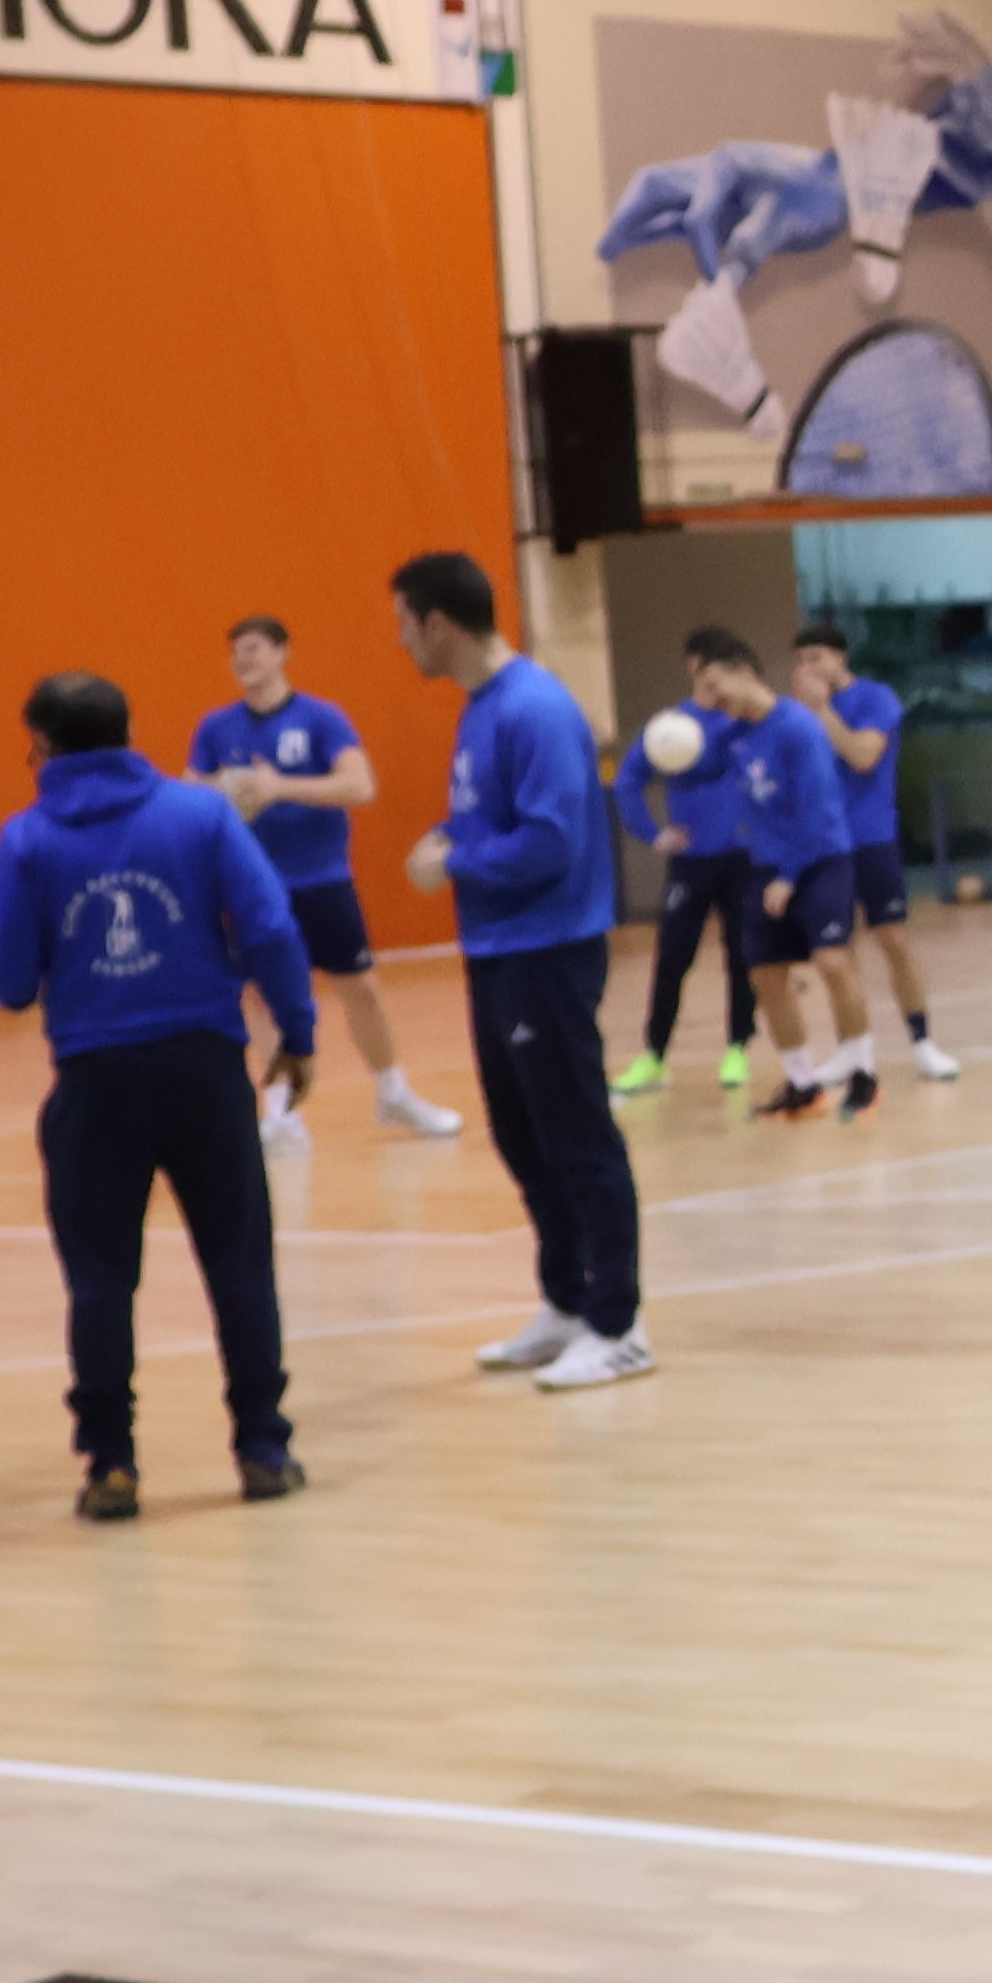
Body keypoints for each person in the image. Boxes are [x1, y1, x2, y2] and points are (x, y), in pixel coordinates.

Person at [0, 670, 318, 1522]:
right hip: (205, 1070)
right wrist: (298, 1030)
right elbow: (271, 925)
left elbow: (12, 983)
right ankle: (263, 1447)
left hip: (96, 1082)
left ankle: (111, 1465)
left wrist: (13, 958)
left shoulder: (26, 841)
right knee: (239, 1262)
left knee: (99, 1280)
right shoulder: (201, 816)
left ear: (46, 747)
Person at [395, 548, 646, 1391]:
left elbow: (550, 843)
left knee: (575, 1136)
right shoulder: (481, 708)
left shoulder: (532, 708)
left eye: (404, 624)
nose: (401, 643)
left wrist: (454, 861)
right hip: (498, 952)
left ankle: (619, 1324)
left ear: (438, 624)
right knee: (522, 1135)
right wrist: (450, 840)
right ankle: (568, 1301)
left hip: (546, 948)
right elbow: (494, 819)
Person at [189, 612, 464, 1144]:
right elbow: (191, 791)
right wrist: (220, 795)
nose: (243, 660)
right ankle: (282, 1110)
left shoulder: (320, 718)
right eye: (236, 652)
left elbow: (360, 786)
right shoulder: (215, 728)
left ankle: (393, 1093)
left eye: (253, 648)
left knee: (360, 986)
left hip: (320, 879)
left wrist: (278, 789)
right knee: (263, 997)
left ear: (282, 652)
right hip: (252, 886)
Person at [680, 628, 875, 1122]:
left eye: (713, 685)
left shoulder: (796, 727)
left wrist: (789, 876)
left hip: (819, 859)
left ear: (745, 673)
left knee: (833, 963)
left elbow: (816, 812)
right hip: (767, 868)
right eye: (701, 691)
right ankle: (803, 1085)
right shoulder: (730, 735)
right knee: (766, 977)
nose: (710, 699)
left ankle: (864, 1077)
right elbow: (691, 765)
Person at [790, 622, 959, 1080]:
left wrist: (823, 711)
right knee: (835, 953)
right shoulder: (795, 715)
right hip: (825, 846)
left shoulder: (876, 699)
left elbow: (863, 755)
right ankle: (851, 1050)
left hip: (871, 838)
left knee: (894, 941)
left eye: (817, 657)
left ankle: (923, 1041)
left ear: (841, 658)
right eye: (802, 661)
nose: (809, 667)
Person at [610, 699, 760, 1099]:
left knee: (742, 955)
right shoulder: (670, 727)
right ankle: (654, 1055)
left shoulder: (744, 725)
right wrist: (652, 832)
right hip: (690, 864)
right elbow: (627, 782)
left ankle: (738, 1047)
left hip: (741, 861)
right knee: (672, 957)